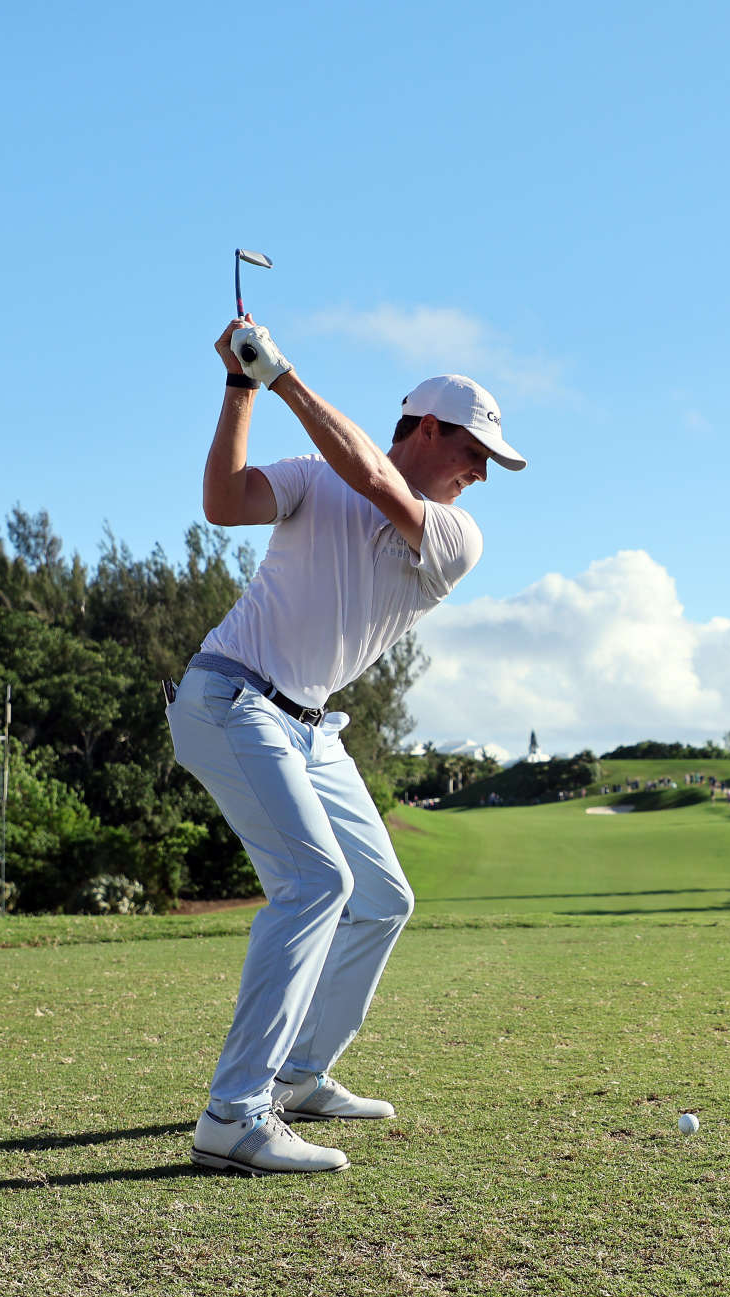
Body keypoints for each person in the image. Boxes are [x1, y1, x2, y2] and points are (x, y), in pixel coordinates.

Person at [169, 318, 526, 1175]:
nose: (482, 473)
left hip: (309, 728)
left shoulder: (453, 536)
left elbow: (372, 476)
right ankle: (234, 1114)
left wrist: (282, 373)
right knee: (316, 884)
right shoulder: (309, 480)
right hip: (230, 694)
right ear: (429, 429)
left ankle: (297, 1074)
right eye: (476, 452)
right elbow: (222, 504)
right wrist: (241, 389)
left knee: (382, 896)